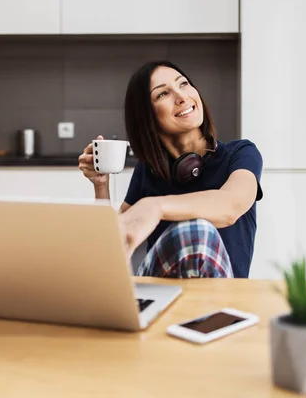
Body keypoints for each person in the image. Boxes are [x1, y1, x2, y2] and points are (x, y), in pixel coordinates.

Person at [78, 60, 263, 278]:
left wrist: (155, 207)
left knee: (197, 231)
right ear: (147, 116)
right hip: (163, 294)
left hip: (223, 300)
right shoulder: (148, 171)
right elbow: (110, 248)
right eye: (163, 94)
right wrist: (101, 187)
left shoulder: (241, 153)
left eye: (183, 84)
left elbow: (231, 206)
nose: (182, 96)